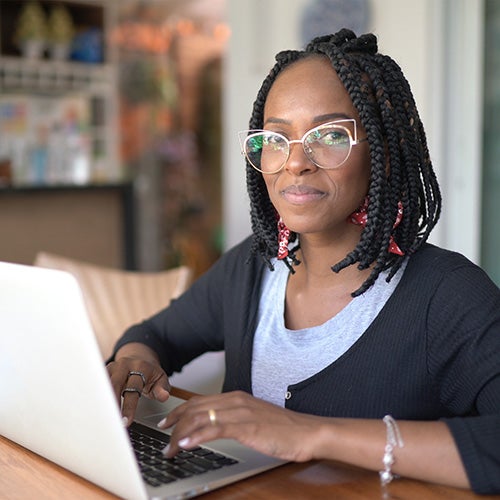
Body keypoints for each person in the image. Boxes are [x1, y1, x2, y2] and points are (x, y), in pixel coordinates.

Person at [107, 29, 500, 494]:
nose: (296, 161)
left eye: (330, 134)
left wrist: (311, 432)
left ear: (382, 151)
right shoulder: (253, 269)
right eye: (276, 138)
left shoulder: (448, 296)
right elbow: (157, 335)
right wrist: (133, 360)